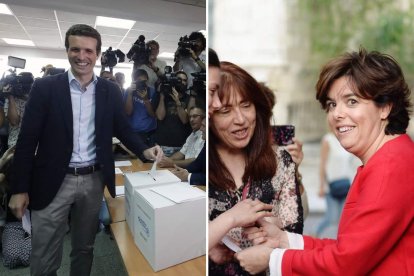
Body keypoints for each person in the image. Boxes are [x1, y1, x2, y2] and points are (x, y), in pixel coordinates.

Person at [235, 48, 414, 275]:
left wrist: (273, 259)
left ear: (385, 107)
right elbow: (350, 250)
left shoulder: (389, 167)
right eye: (331, 105)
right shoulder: (391, 157)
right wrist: (283, 240)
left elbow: (346, 264)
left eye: (351, 101)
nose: (337, 114)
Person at [8, 24, 162, 276]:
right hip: (52, 180)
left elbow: (123, 129)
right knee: (45, 252)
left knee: (84, 247)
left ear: (98, 54)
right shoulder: (46, 88)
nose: (82, 56)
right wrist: (19, 188)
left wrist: (144, 150)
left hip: (93, 180)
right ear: (67, 50)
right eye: (76, 49)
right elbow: (26, 141)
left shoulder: (109, 90)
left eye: (89, 51)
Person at [209, 61, 303, 275]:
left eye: (246, 105)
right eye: (225, 110)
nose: (240, 120)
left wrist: (273, 232)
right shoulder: (203, 166)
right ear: (210, 114)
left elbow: (295, 234)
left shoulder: (281, 161)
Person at [315, 131, 358, 237]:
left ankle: (341, 243)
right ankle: (314, 234)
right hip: (331, 185)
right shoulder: (328, 140)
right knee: (331, 218)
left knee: (345, 219)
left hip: (347, 185)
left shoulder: (348, 139)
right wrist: (321, 185)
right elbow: (323, 164)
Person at [154, 70, 191, 156]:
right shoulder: (163, 96)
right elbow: (160, 116)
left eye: (185, 80)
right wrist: (162, 96)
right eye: (179, 79)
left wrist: (178, 102)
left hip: (182, 146)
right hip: (164, 145)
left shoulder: (188, 98)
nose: (182, 82)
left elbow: (185, 120)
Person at [125, 69, 158, 147]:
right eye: (139, 81)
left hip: (149, 132)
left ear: (148, 80)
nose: (142, 84)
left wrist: (146, 100)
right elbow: (128, 112)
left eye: (144, 82)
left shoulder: (153, 92)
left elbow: (153, 114)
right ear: (134, 81)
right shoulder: (128, 91)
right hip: (132, 131)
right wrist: (130, 94)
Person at [171, 116, 206, 185]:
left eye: (204, 126)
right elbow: (197, 163)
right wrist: (184, 171)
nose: (201, 129)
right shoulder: (207, 143)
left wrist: (188, 176)